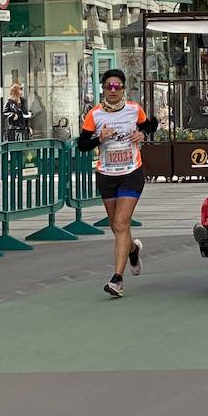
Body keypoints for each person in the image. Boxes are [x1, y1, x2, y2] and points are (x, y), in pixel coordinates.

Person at [77, 68, 158, 298]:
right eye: (108, 86)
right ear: (102, 88)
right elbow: (82, 144)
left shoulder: (134, 109)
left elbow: (151, 124)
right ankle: (133, 250)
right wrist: (99, 138)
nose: (112, 90)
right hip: (106, 175)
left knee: (122, 223)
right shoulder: (94, 114)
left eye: (117, 86)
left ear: (123, 89)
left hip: (131, 172)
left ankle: (117, 279)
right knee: (116, 226)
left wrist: (143, 134)